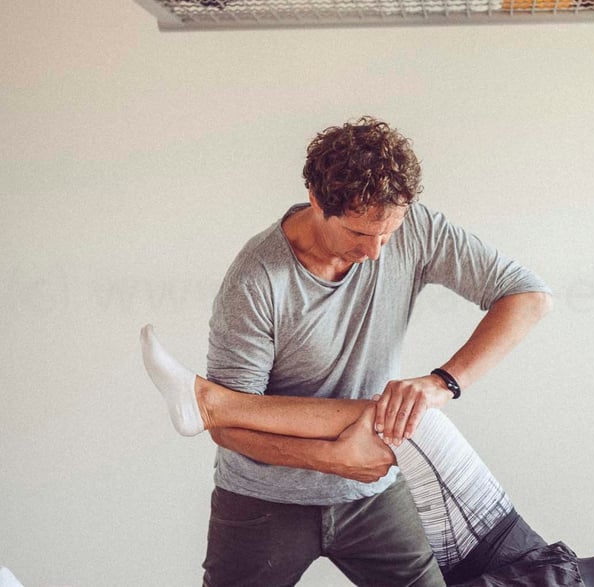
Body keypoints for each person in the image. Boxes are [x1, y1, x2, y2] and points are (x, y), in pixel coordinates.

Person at [197, 116, 553, 586]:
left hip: (373, 491)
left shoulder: (416, 229)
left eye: (388, 232)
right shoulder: (257, 279)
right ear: (318, 200)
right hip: (263, 499)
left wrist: (442, 383)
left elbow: (527, 296)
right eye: (360, 234)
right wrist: (332, 460)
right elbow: (225, 426)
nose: (377, 251)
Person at [141, 325, 594, 587]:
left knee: (406, 423)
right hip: (537, 560)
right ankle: (208, 405)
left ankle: (210, 405)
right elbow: (531, 295)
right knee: (416, 422)